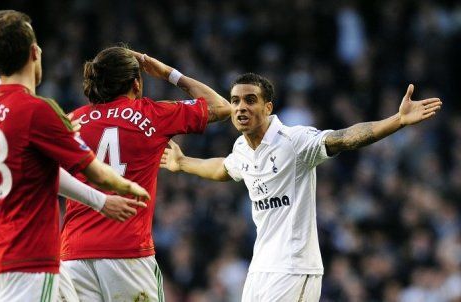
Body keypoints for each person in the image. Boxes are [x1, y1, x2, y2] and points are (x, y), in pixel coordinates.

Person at [160, 73, 442, 302]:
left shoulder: (294, 141)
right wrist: (183, 163)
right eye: (235, 101)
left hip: (294, 268)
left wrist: (397, 121)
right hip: (260, 269)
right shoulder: (241, 148)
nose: (240, 107)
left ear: (267, 107)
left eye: (250, 100)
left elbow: (344, 138)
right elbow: (225, 168)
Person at [0, 10, 147, 302]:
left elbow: (32, 167)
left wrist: (100, 202)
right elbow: (93, 170)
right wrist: (126, 187)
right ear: (35, 52)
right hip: (27, 252)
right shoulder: (31, 108)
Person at [59, 46, 231, 301]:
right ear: (136, 83)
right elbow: (222, 107)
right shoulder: (152, 114)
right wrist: (168, 73)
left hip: (73, 255)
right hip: (128, 253)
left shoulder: (72, 120)